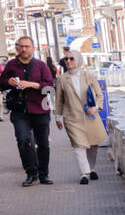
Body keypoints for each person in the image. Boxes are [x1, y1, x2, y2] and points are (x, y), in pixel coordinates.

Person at [3, 36, 56, 186]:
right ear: (17, 48)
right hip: (20, 111)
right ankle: (31, 173)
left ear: (33, 48)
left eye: (27, 46)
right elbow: (1, 84)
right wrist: (8, 82)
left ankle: (44, 174)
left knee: (43, 143)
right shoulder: (11, 65)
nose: (24, 49)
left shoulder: (41, 65)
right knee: (23, 140)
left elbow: (50, 87)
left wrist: (32, 84)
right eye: (21, 46)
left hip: (40, 109)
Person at [53, 49, 107, 185]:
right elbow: (59, 100)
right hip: (72, 118)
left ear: (78, 60)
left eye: (72, 59)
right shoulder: (62, 79)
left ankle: (91, 168)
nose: (68, 61)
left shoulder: (89, 76)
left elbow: (100, 95)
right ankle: (84, 173)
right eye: (67, 59)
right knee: (78, 145)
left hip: (91, 117)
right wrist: (57, 117)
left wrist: (97, 107)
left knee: (93, 145)